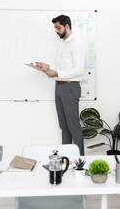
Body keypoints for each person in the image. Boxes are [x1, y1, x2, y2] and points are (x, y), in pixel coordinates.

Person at [36, 15, 85, 155]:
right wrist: (47, 67)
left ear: (67, 26)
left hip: (70, 87)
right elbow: (63, 67)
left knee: (73, 126)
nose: (56, 31)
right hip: (59, 87)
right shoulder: (63, 43)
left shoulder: (76, 43)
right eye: (55, 28)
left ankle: (80, 161)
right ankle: (67, 159)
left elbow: (78, 70)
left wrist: (57, 73)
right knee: (64, 126)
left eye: (58, 28)